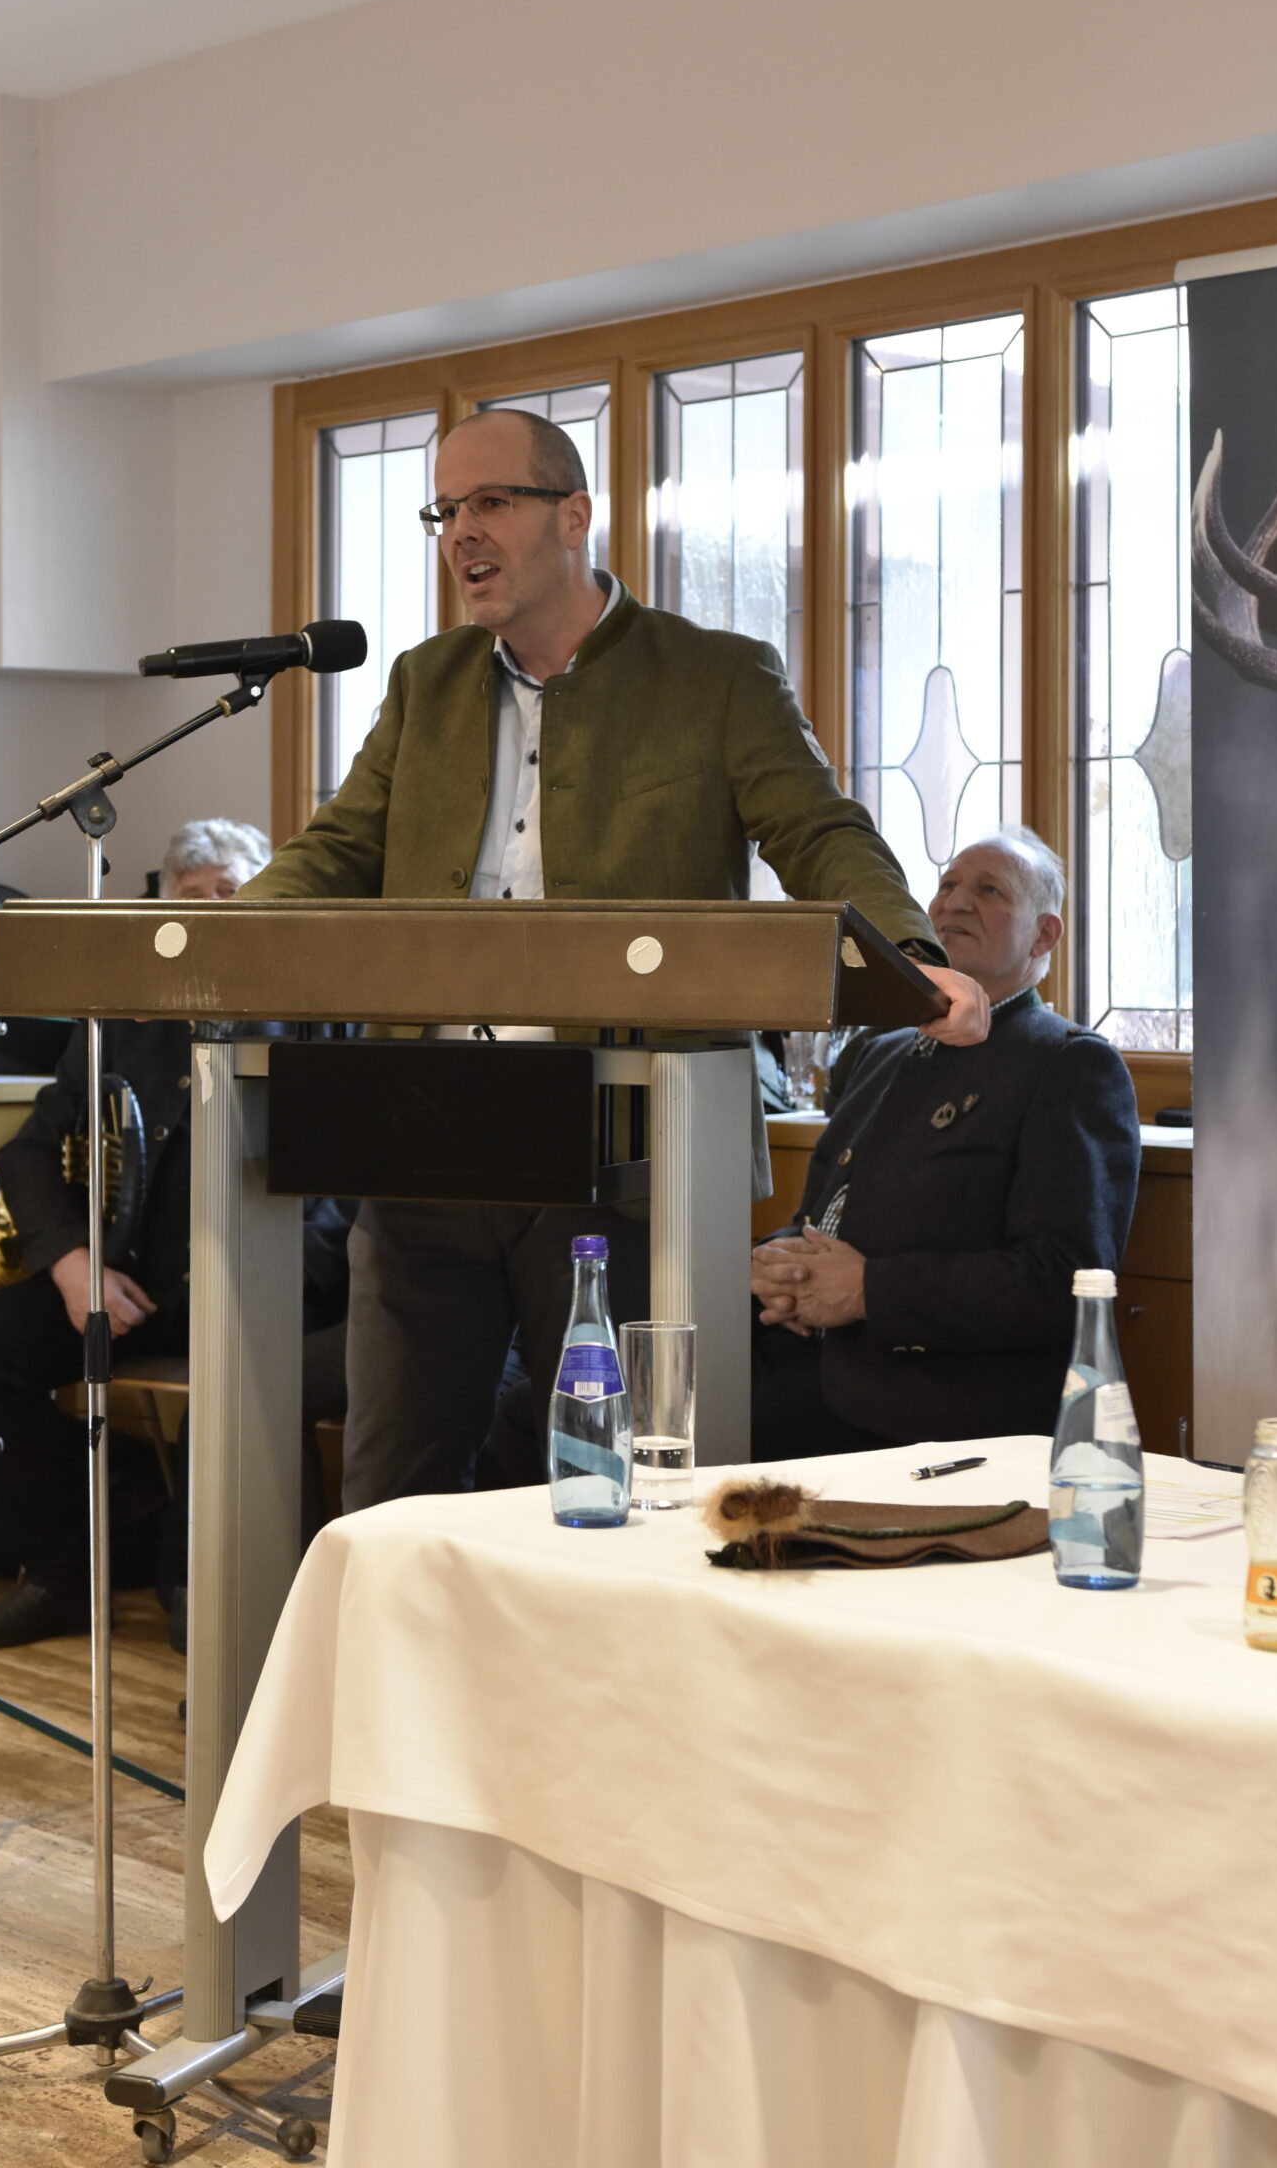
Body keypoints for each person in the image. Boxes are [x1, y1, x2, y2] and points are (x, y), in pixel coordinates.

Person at [237, 405, 991, 1511]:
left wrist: (910, 959)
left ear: (573, 514)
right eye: (444, 511)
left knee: (623, 1486)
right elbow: (339, 849)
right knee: (392, 1488)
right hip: (423, 1132)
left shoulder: (714, 675)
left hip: (623, 1141)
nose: (461, 532)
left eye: (490, 501)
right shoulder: (424, 681)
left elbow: (819, 832)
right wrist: (231, 937)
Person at [0, 817, 349, 1648]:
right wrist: (70, 1263)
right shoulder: (121, 1021)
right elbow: (26, 1152)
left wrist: (268, 1279)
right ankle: (60, 1574)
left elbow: (348, 1192)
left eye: (231, 893)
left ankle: (201, 1603)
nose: (210, 909)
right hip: (130, 1287)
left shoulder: (317, 1013)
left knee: (229, 1385)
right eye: (192, 895)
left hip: (265, 1291)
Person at [750, 829, 1141, 1457]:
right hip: (800, 1363)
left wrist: (869, 1290)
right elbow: (825, 1217)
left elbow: (1066, 1282)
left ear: (1044, 936)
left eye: (990, 891)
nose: (954, 903)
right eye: (947, 885)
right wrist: (776, 1264)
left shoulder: (1067, 1064)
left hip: (932, 1411)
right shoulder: (878, 1052)